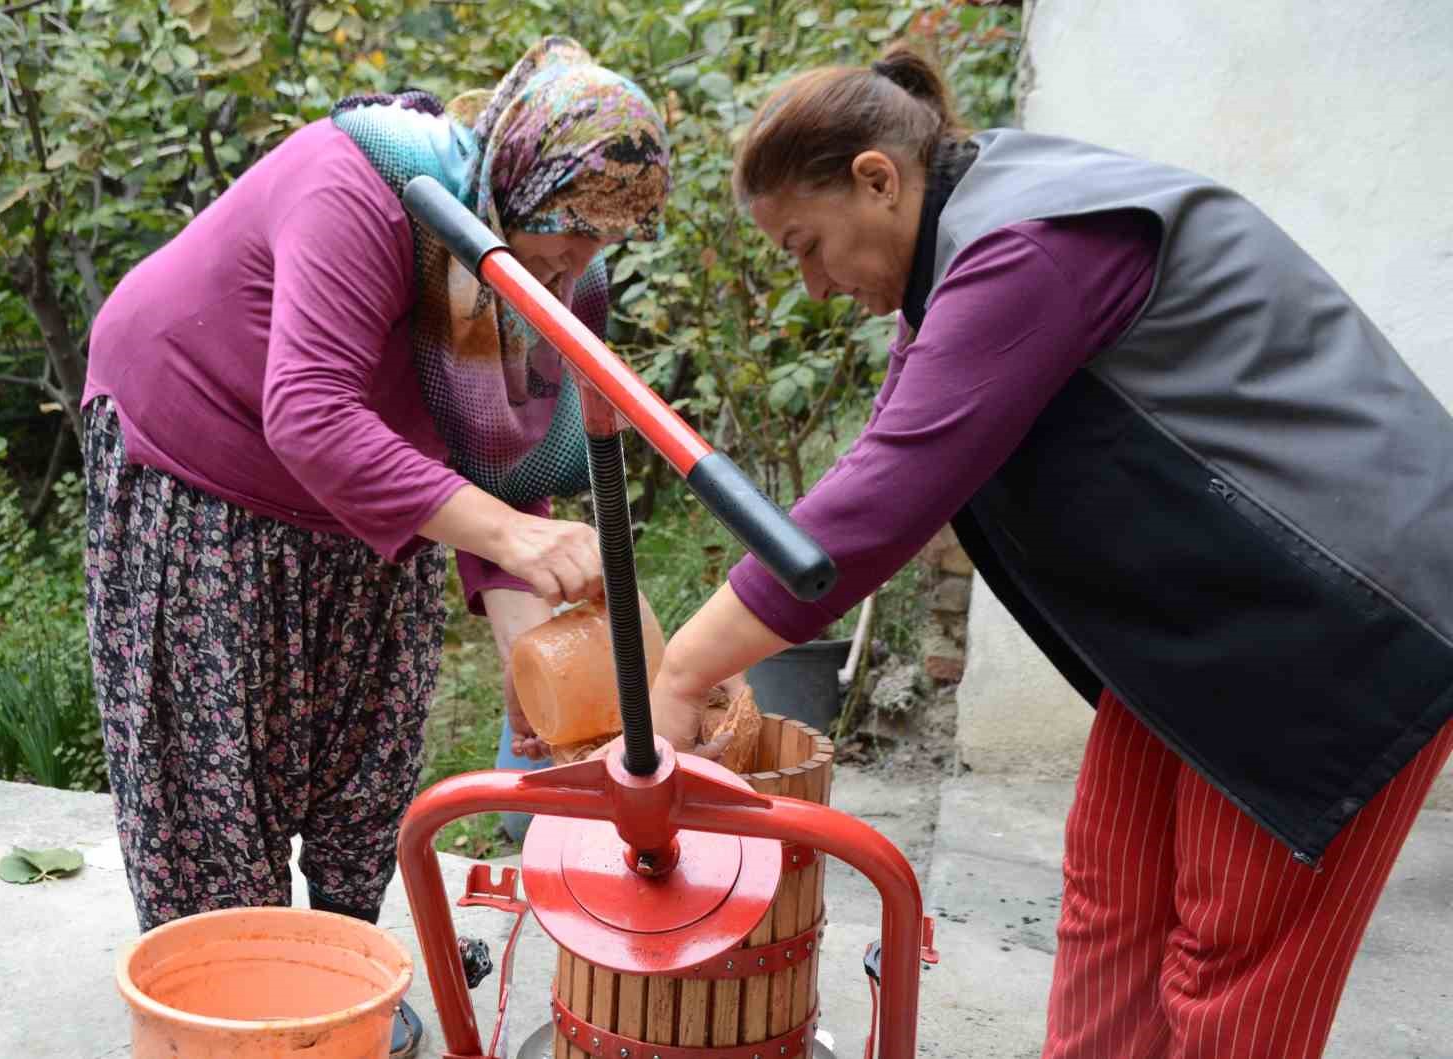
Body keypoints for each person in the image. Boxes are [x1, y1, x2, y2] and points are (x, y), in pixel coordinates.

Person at [647, 40, 1453, 1059]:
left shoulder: (1027, 244)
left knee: (1234, 960)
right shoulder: (966, 257)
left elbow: (882, 501)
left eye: (806, 245)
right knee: (1111, 896)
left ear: (876, 180)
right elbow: (873, 473)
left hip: (1345, 618)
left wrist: (683, 668)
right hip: (1209, 611)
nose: (809, 284)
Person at [81, 36, 669, 1056]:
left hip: (368, 485)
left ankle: (333, 983)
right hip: (202, 452)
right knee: (226, 771)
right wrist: (513, 541)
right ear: (513, 179)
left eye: (602, 244)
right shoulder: (356, 185)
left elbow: (505, 461)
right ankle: (238, 999)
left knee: (367, 757)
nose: (577, 263)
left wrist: (533, 659)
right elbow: (308, 414)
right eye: (564, 232)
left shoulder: (554, 276)